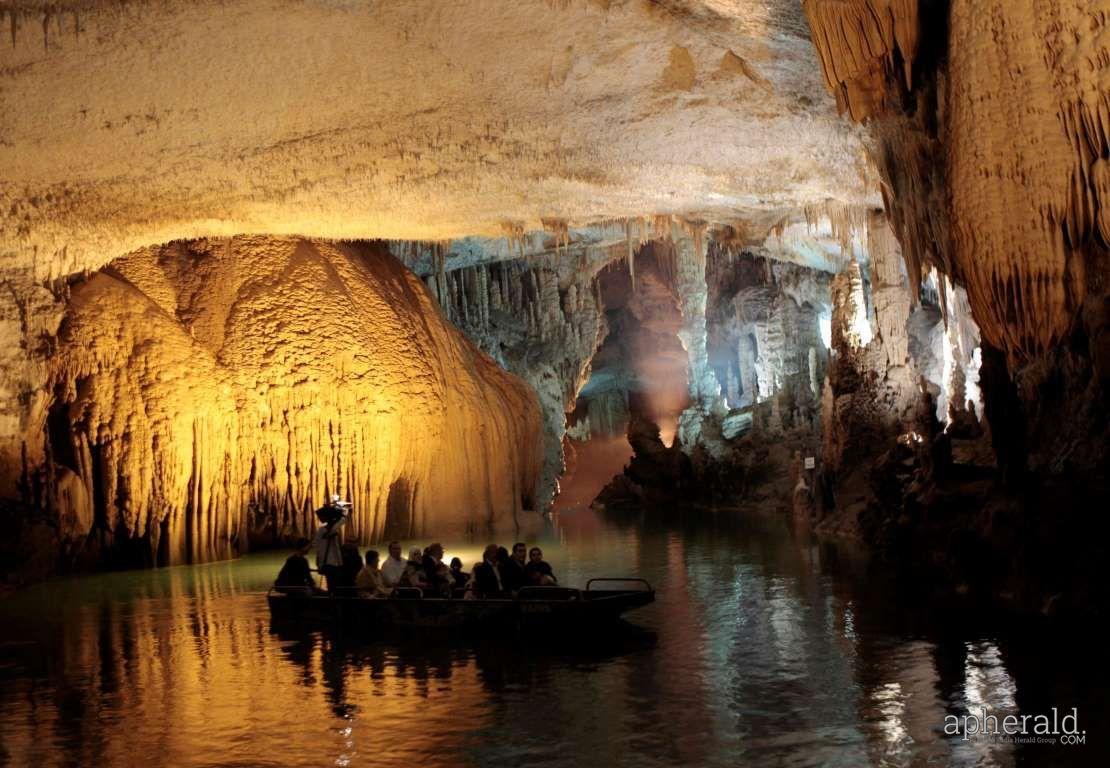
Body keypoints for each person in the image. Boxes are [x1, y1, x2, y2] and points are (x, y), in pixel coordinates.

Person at [313, 499, 349, 591]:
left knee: (333, 587)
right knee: (334, 587)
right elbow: (342, 520)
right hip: (330, 564)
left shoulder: (325, 531)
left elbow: (317, 546)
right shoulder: (325, 531)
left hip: (331, 563)